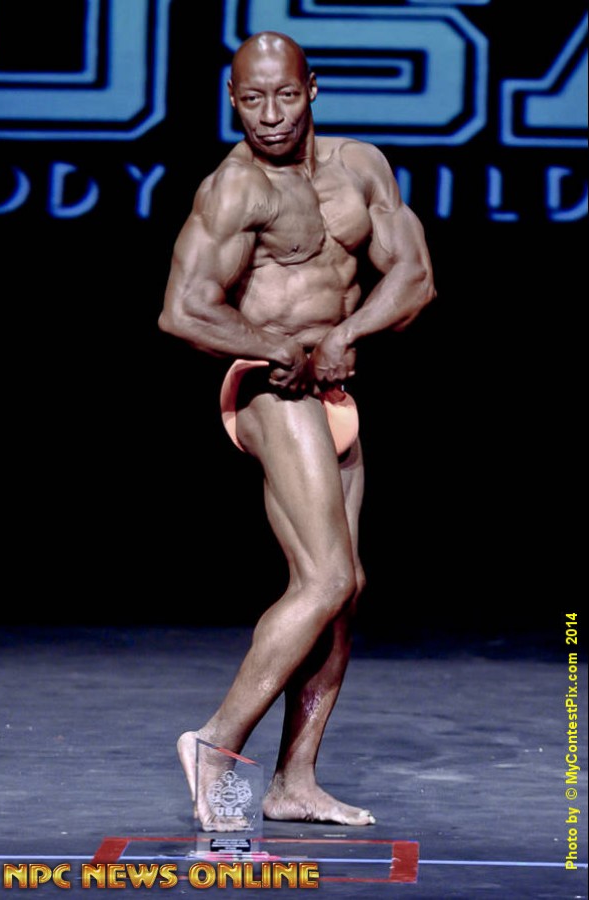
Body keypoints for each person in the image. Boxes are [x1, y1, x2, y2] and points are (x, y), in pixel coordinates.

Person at [158, 30, 435, 830]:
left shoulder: (360, 166)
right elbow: (183, 310)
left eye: (284, 95)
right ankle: (216, 742)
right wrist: (275, 346)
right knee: (324, 580)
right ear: (232, 100)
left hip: (332, 388)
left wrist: (349, 333)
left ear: (313, 88)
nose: (270, 115)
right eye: (252, 99)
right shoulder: (234, 189)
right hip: (269, 388)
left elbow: (415, 277)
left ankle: (295, 781)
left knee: (344, 593)